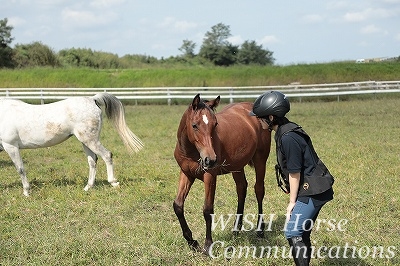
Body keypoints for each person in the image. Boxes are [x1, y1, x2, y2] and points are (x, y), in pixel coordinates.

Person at [250, 91, 334, 266]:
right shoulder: (284, 130)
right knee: (302, 233)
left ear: (271, 117)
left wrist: (291, 202)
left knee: (292, 231)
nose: (257, 120)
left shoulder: (288, 137)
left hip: (313, 189)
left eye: (260, 117)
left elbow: (294, 173)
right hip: (313, 186)